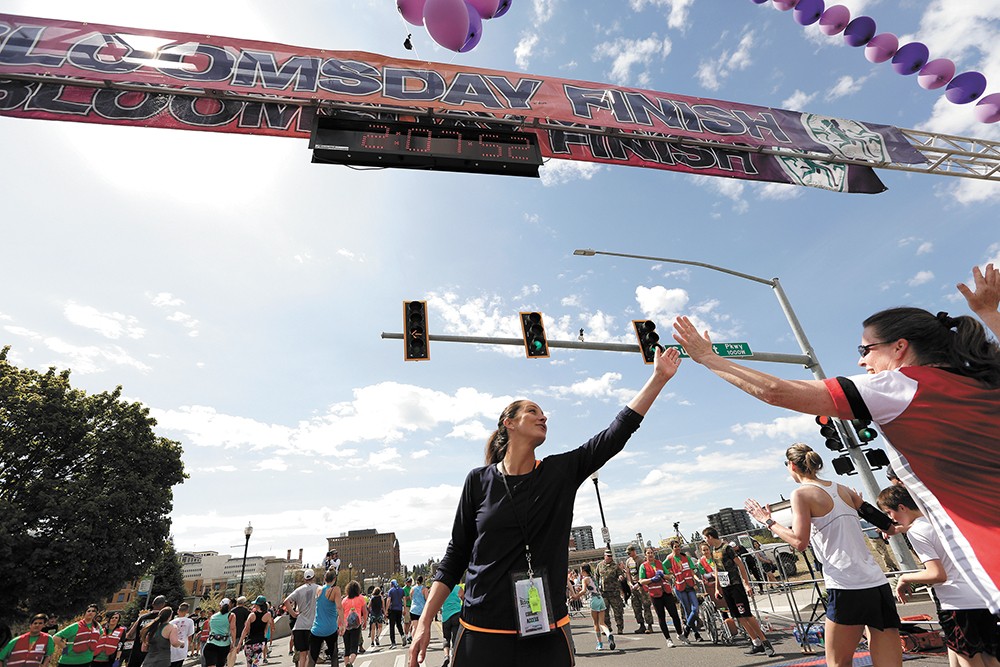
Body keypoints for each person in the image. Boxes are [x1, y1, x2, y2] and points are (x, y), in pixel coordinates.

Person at [673, 290, 1000, 614]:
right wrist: (988, 312)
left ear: (899, 347)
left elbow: (776, 391)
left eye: (866, 349)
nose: (861, 360)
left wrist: (708, 358)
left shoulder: (899, 386)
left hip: (987, 554)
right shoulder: (984, 382)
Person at [408, 346, 681, 667]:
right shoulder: (478, 481)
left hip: (546, 631)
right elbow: (455, 557)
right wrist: (425, 620)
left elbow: (614, 434)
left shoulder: (559, 472)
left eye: (543, 413)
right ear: (509, 423)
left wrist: (659, 379)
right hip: (481, 631)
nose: (544, 416)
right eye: (533, 411)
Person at [745, 444, 900, 667]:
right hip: (875, 582)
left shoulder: (800, 493)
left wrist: (767, 521)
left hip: (845, 584)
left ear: (791, 466)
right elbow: (888, 525)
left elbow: (799, 542)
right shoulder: (842, 488)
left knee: (838, 662)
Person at [877, 485, 1000, 667]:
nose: (890, 519)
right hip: (981, 595)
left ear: (902, 507)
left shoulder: (916, 532)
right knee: (990, 656)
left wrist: (904, 579)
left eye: (889, 513)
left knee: (968, 656)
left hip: (957, 603)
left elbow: (936, 574)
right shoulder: (941, 520)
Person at [701, 527, 776, 657]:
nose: (705, 541)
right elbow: (717, 571)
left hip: (736, 586)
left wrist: (746, 584)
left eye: (705, 538)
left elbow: (740, 565)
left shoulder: (727, 548)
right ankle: (756, 642)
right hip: (726, 587)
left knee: (746, 614)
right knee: (738, 616)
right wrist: (718, 588)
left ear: (710, 537)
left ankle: (765, 642)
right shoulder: (714, 551)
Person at [637, 547, 679, 647]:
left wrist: (663, 575)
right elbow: (641, 581)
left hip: (666, 592)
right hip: (655, 594)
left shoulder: (659, 563)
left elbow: (669, 575)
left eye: (652, 553)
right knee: (661, 617)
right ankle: (668, 639)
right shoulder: (643, 566)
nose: (650, 555)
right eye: (648, 553)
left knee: (674, 614)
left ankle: (680, 633)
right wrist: (652, 579)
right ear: (645, 555)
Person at [665, 541, 704, 641]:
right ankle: (696, 633)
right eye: (675, 547)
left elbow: (691, 570)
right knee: (687, 610)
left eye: (679, 547)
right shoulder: (669, 558)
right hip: (679, 587)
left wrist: (696, 580)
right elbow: (662, 567)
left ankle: (686, 629)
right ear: (672, 548)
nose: (677, 548)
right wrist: (670, 574)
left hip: (690, 585)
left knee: (695, 609)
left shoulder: (685, 557)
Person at [698, 543, 739, 637]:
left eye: (707, 549)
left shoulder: (715, 557)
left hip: (722, 580)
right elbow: (703, 574)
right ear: (701, 552)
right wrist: (712, 574)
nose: (706, 552)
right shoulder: (701, 562)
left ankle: (730, 621)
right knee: (718, 603)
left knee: (726, 603)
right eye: (704, 550)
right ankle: (726, 622)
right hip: (711, 584)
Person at [283, 569, 321, 667]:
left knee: (302, 653)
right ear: (314, 577)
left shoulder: (299, 590)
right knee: (310, 653)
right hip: (312, 626)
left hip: (299, 626)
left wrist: (293, 613)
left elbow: (286, 601)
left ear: (304, 579)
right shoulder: (319, 588)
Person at [573, 564, 614, 652]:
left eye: (581, 570)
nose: (580, 572)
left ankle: (600, 643)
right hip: (600, 599)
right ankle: (608, 634)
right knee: (602, 622)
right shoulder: (593, 578)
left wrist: (576, 596)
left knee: (596, 623)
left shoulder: (585, 579)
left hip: (594, 600)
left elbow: (583, 591)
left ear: (584, 571)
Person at [308, 570, 342, 667]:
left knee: (312, 658)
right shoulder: (335, 590)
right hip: (330, 628)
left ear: (324, 579)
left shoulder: (318, 589)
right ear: (334, 579)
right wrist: (342, 624)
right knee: (334, 656)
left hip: (316, 629)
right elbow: (339, 607)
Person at [126, 597, 167, 667]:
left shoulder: (142, 618)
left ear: (153, 604)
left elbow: (129, 635)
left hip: (137, 651)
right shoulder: (164, 619)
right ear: (164, 605)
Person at [595, 549, 626, 635]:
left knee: (618, 612)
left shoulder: (615, 566)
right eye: (608, 556)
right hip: (604, 593)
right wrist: (596, 588)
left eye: (611, 556)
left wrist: (620, 577)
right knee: (604, 613)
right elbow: (596, 577)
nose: (609, 557)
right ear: (604, 556)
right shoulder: (599, 566)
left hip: (614, 593)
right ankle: (607, 628)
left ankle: (620, 628)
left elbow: (621, 574)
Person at [624, 545, 653, 634]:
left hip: (641, 586)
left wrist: (639, 584)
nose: (629, 554)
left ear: (633, 551)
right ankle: (641, 625)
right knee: (636, 607)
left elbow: (643, 573)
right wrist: (629, 583)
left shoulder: (640, 560)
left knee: (646, 605)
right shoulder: (628, 561)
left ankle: (649, 625)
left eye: (629, 552)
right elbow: (628, 573)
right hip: (633, 587)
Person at [237, 598, 271, 667]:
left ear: (258, 605)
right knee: (255, 663)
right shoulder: (268, 615)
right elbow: (266, 629)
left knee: (249, 664)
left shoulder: (252, 615)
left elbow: (246, 630)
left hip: (250, 642)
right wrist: (264, 641)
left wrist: (239, 643)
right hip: (260, 642)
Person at [202, 600, 236, 667]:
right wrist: (233, 643)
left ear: (220, 606)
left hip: (210, 643)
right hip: (224, 644)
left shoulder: (213, 616)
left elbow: (209, 630)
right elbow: (233, 629)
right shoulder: (231, 615)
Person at [340, 582, 366, 667]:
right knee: (354, 647)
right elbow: (365, 611)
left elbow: (341, 614)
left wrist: (340, 626)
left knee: (346, 648)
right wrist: (365, 621)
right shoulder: (361, 598)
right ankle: (350, 663)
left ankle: (346, 664)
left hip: (346, 625)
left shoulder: (344, 600)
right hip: (356, 625)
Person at [439, 583, 464, 667]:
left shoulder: (442, 589)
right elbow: (464, 598)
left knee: (446, 638)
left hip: (446, 616)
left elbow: (438, 602)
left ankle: (446, 656)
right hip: (457, 614)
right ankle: (454, 657)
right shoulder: (457, 588)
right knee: (456, 638)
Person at [383, 580, 405, 649]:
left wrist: (386, 610)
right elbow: (404, 599)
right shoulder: (401, 590)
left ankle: (393, 643)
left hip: (393, 609)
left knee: (392, 626)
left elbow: (389, 600)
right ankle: (402, 635)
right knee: (399, 624)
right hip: (399, 609)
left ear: (392, 584)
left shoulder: (391, 591)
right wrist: (404, 608)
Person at [407, 577, 428, 645]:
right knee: (422, 627)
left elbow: (411, 598)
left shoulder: (412, 589)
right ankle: (421, 642)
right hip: (421, 610)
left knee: (414, 627)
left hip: (413, 609)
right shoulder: (424, 589)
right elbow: (427, 599)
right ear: (422, 581)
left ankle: (414, 641)